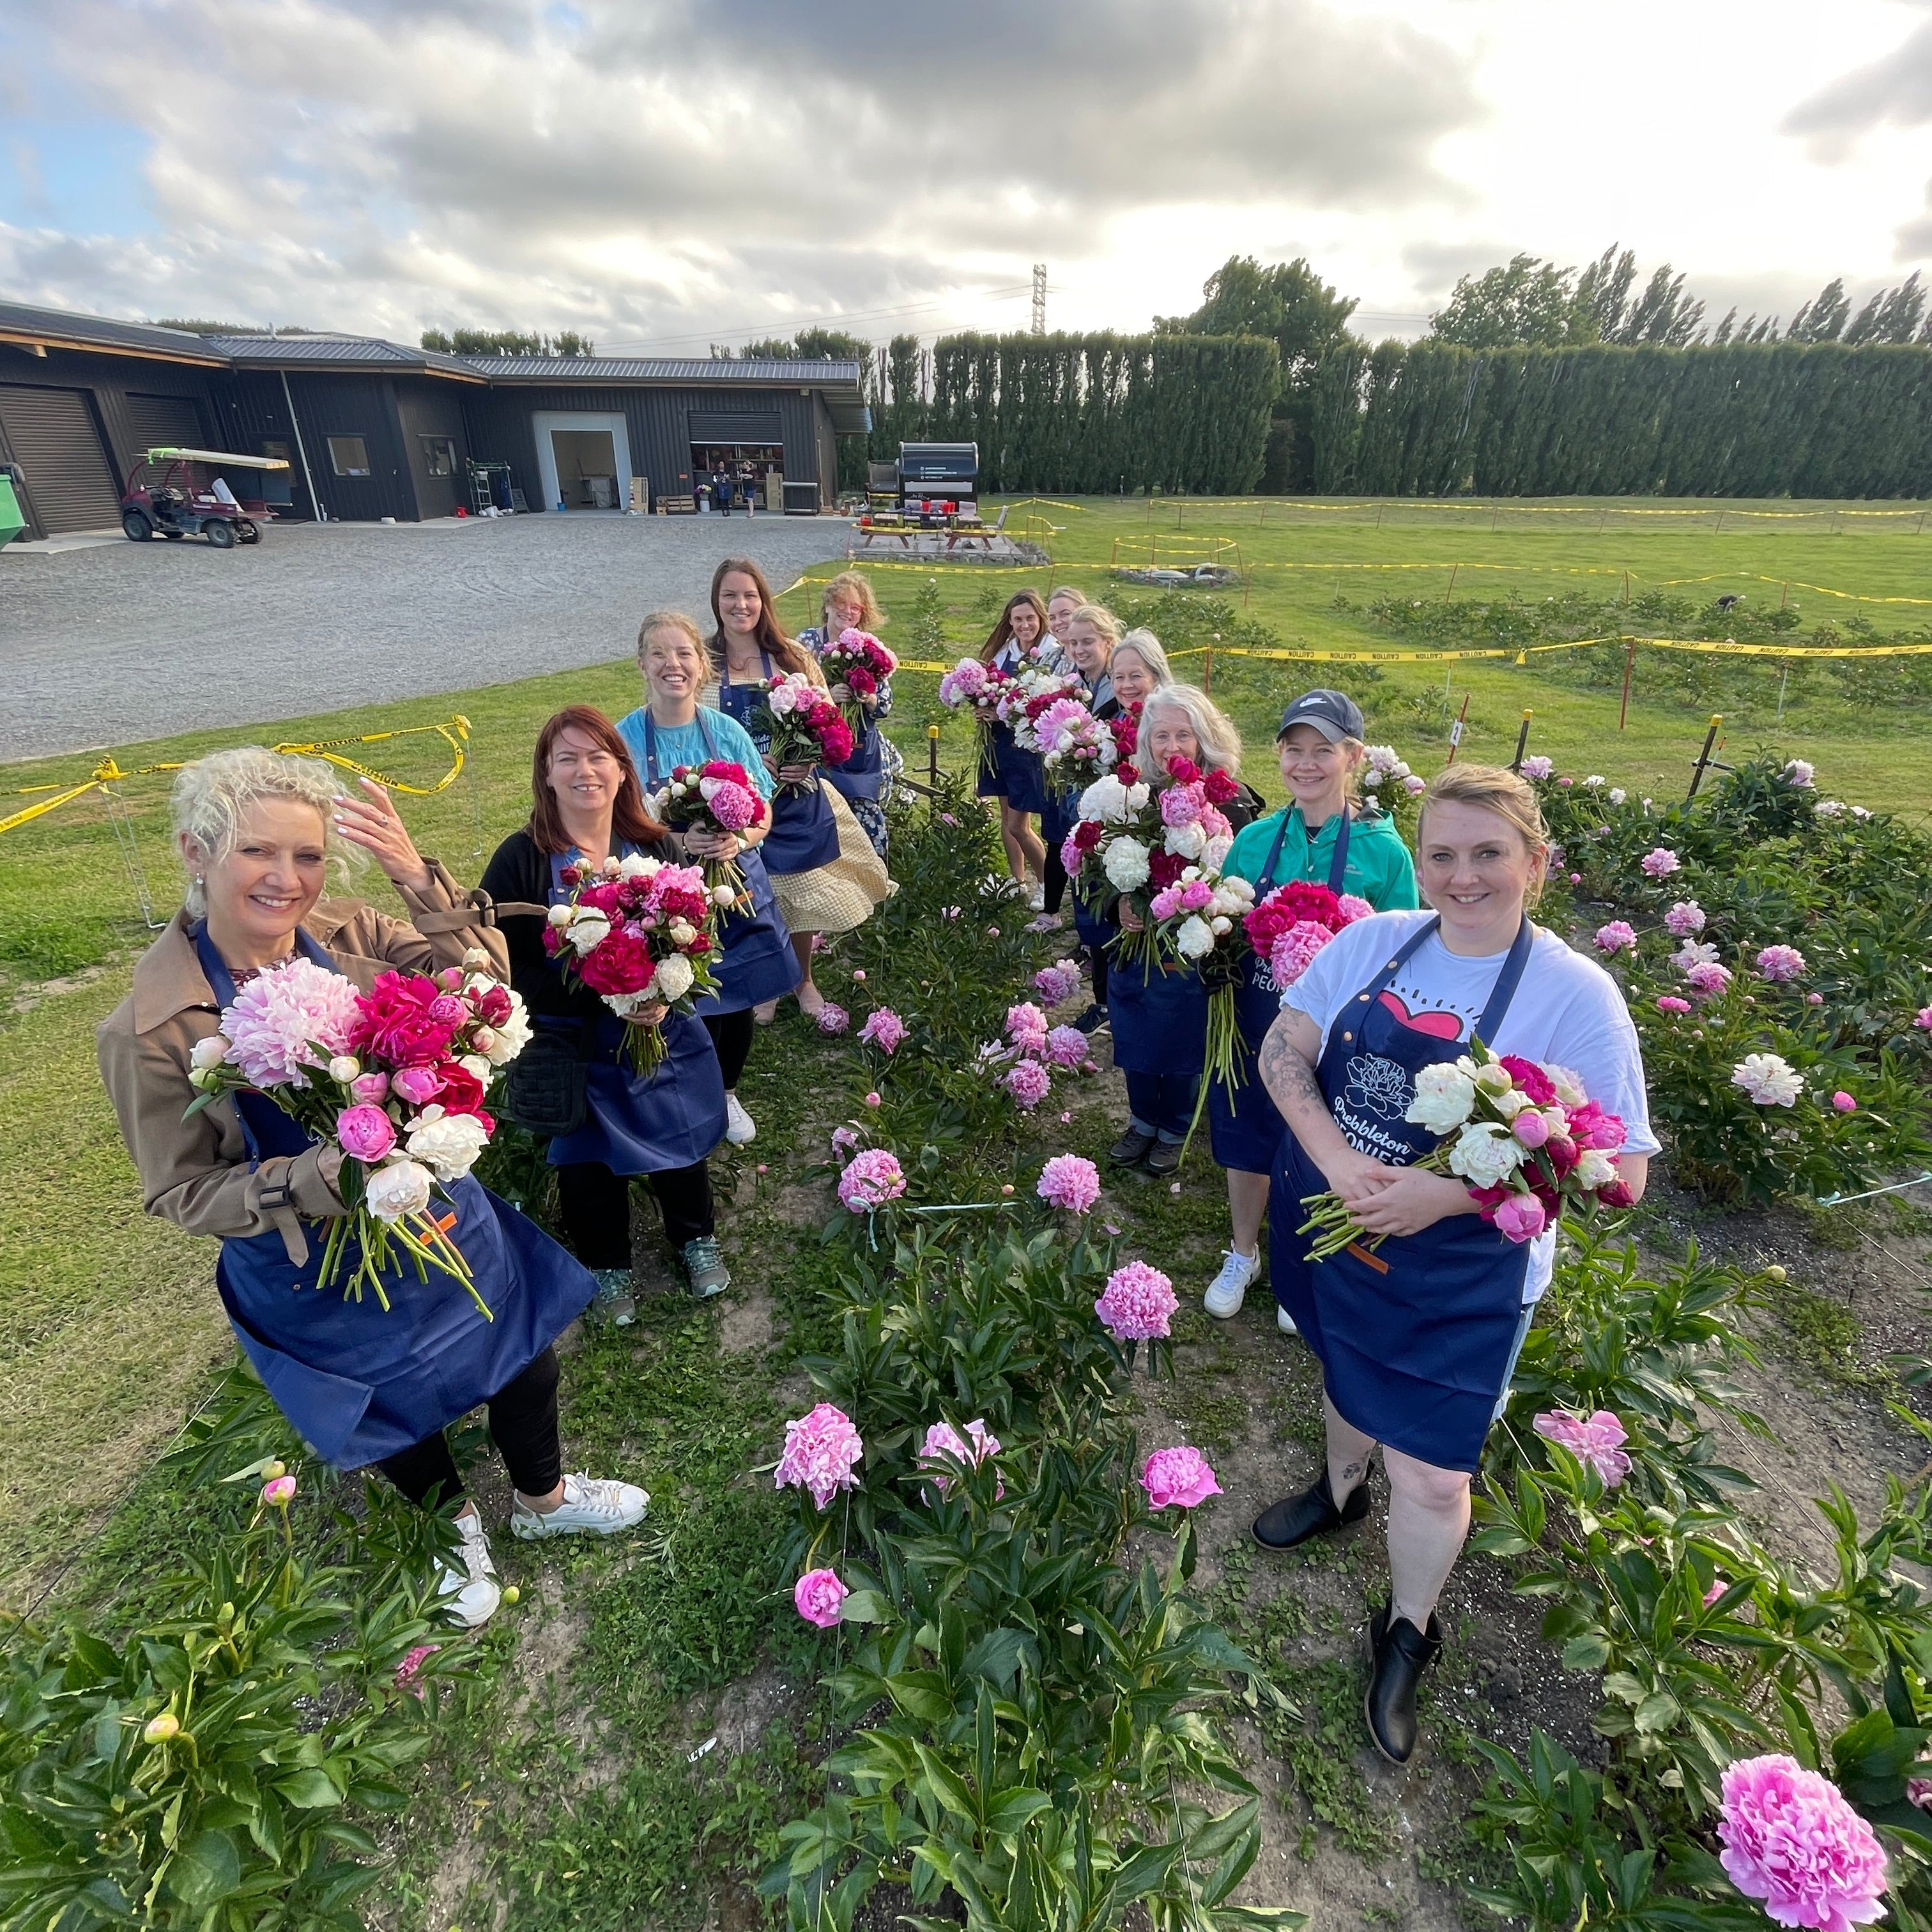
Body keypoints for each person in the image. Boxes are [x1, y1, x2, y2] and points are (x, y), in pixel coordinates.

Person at [97, 748, 648, 1634]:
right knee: (392, 1404)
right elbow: (183, 1192)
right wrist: (307, 1181)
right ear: (195, 850)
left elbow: (487, 990)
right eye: (257, 853)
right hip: (308, 1265)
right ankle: (454, 1530)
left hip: (432, 1210)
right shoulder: (149, 1030)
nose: (287, 880)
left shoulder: (355, 933)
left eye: (308, 857)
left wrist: (412, 875)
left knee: (519, 1349)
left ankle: (543, 1501)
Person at [1252, 763, 1658, 1765]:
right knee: (1342, 1369)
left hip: (1468, 1278)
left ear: (1537, 862)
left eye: (1488, 854)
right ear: (1419, 861)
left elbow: (1627, 1176)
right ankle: (1342, 1492)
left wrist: (1454, 1192)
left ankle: (1409, 1629)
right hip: (1336, 1219)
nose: (1462, 876)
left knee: (1432, 1477)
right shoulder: (1373, 943)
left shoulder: (1575, 995)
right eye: (1442, 855)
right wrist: (1344, 1163)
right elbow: (1280, 1052)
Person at [479, 707, 732, 1325]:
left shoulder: (657, 846)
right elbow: (509, 966)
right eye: (566, 759)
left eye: (598, 757)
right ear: (546, 773)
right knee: (587, 1157)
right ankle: (606, 1262)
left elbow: (701, 939)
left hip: (658, 1029)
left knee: (676, 1132)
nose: (583, 771)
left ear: (622, 771)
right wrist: (606, 991)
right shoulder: (522, 859)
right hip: (576, 1041)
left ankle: (694, 1236)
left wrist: (665, 991)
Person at [1204, 689, 1418, 1326]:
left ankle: (1304, 1259)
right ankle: (1243, 1251)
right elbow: (1222, 919)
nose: (1305, 764)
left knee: (1319, 1141)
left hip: (1339, 1033)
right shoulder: (1255, 839)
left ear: (1352, 757)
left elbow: (1406, 949)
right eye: (1294, 750)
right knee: (1245, 1136)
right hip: (1253, 1017)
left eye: (1322, 751)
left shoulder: (1383, 851)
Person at [617, 610, 797, 1149]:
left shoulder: (726, 731)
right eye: (659, 654)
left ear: (702, 665)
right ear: (642, 664)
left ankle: (725, 1092)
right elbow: (618, 820)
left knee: (735, 992)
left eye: (684, 654)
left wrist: (735, 841)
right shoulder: (624, 737)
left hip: (731, 888)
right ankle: (682, 1090)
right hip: (662, 896)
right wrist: (675, 841)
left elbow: (763, 811)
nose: (672, 664)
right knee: (676, 994)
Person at [705, 556, 893, 1020]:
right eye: (729, 595)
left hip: (795, 796)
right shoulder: (704, 662)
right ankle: (767, 981)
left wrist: (806, 759)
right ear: (716, 601)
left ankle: (803, 978)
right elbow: (696, 729)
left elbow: (831, 721)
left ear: (763, 601)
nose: (740, 605)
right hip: (735, 805)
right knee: (752, 894)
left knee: (803, 892)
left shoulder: (792, 656)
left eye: (749, 595)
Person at [1105, 685, 1264, 1177]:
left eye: (1184, 735)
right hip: (1140, 940)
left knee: (1178, 1031)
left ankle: (1173, 1126)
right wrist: (1121, 904)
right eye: (1161, 736)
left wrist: (1197, 909)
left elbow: (1238, 883)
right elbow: (1104, 870)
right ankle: (1141, 1119)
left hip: (1192, 939)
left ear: (1205, 739)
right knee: (1135, 1022)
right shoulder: (1134, 796)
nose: (1171, 747)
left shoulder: (1228, 801)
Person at [797, 569, 904, 862]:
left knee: (866, 817)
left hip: (859, 750)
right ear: (828, 605)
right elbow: (794, 690)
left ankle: (876, 884)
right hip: (817, 745)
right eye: (841, 604)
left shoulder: (870, 648)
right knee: (819, 813)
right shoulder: (808, 642)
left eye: (855, 607)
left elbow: (884, 706)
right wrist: (829, 694)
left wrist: (868, 697)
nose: (847, 611)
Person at [1058, 601, 1126, 1032]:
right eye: (1073, 642)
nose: (1080, 649)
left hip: (1112, 816)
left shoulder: (1115, 691)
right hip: (1082, 810)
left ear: (1108, 642)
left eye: (1088, 642)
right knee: (1090, 906)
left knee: (1108, 908)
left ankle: (1110, 1004)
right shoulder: (1081, 684)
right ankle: (1106, 1002)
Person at [974, 589, 1052, 900]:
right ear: (1010, 620)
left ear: (1040, 619)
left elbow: (1045, 705)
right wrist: (980, 708)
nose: (1024, 625)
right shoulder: (1002, 653)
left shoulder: (1051, 654)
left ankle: (1048, 886)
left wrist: (1002, 713)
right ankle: (1018, 881)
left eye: (1030, 619)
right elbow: (988, 691)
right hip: (999, 744)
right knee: (1007, 820)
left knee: (1020, 824)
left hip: (1028, 748)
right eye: (1018, 619)